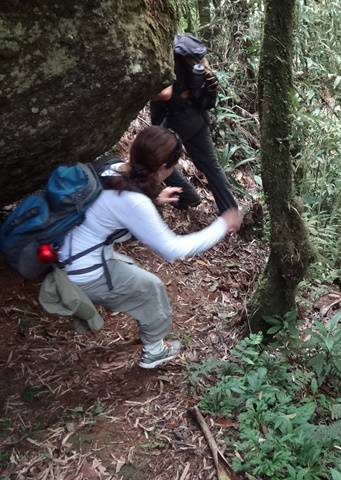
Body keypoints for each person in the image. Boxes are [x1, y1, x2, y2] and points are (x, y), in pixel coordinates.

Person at [59, 126, 243, 369]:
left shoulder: (112, 168)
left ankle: (100, 306)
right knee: (151, 290)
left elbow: (113, 211)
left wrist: (155, 200)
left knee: (130, 268)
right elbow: (172, 249)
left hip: (67, 252)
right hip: (82, 270)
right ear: (165, 168)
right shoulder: (134, 202)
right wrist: (222, 224)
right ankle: (154, 351)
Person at [150, 35, 240, 216]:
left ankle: (187, 195)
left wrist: (142, 95)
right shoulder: (191, 54)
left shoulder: (172, 56)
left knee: (154, 158)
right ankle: (230, 211)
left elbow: (166, 93)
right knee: (210, 165)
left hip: (178, 119)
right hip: (198, 116)